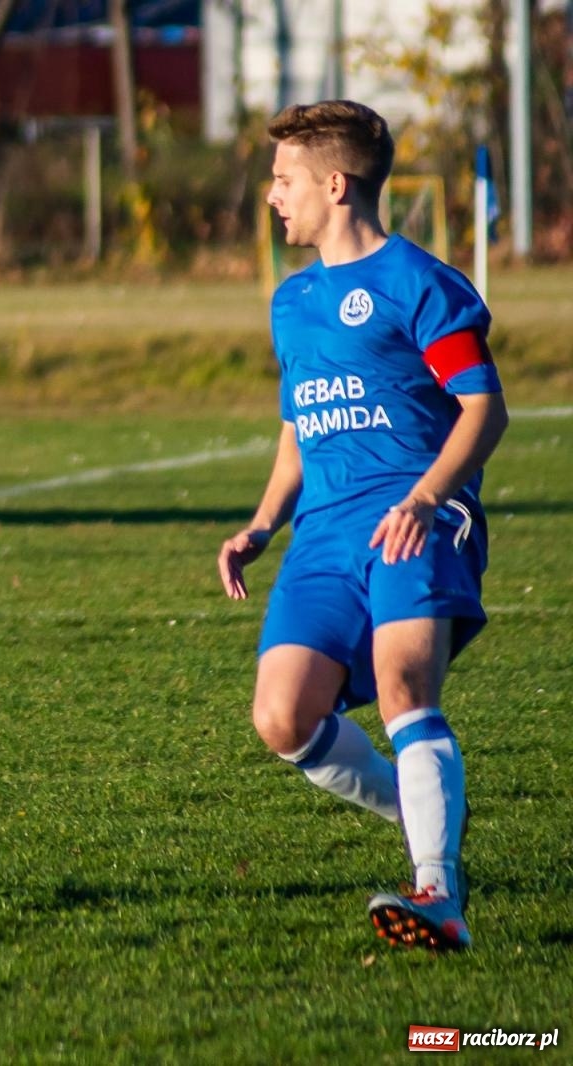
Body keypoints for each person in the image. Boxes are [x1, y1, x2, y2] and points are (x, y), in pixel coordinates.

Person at [217, 101, 508, 951]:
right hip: (322, 537)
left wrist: (424, 498)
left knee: (403, 688)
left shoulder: (421, 285)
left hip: (417, 518)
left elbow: (483, 410)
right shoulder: (292, 301)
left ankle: (437, 892)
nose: (273, 196)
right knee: (282, 716)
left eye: (284, 179)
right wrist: (263, 524)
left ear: (335, 185)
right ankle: (428, 817)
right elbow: (298, 426)